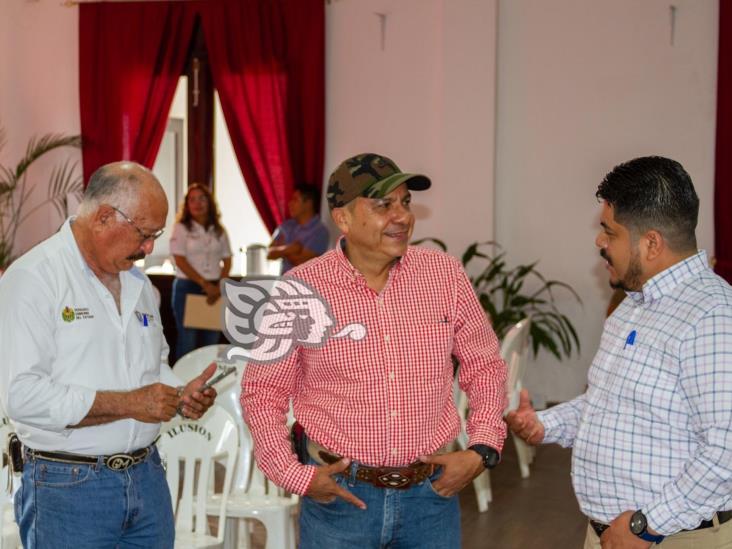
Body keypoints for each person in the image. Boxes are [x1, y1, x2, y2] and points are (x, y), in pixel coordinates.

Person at [241, 153, 507, 548]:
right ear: (343, 219)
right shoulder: (300, 290)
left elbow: (484, 366)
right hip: (340, 499)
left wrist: (482, 448)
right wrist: (297, 476)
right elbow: (262, 393)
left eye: (405, 203)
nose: (401, 216)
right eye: (383, 205)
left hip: (431, 495)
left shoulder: (443, 276)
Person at [506, 156, 732, 548]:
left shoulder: (712, 316)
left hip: (672, 537)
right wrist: (546, 424)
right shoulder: (634, 304)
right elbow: (610, 404)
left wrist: (648, 525)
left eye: (609, 232)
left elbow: (725, 450)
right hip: (618, 533)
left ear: (651, 243)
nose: (599, 242)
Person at [0, 161, 218, 548]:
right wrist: (131, 404)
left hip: (147, 479)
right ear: (103, 217)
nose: (150, 248)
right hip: (67, 487)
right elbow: (22, 396)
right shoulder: (34, 279)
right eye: (145, 234)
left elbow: (153, 369)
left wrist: (179, 394)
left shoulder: (139, 284)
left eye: (156, 235)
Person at [169, 183, 232, 361]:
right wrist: (204, 284)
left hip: (215, 289)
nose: (197, 203)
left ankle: (207, 386)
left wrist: (219, 286)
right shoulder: (181, 228)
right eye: (192, 199)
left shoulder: (219, 230)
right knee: (187, 342)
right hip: (188, 288)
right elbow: (179, 260)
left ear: (209, 203)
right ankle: (183, 386)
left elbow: (227, 259)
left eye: (202, 198)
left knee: (211, 343)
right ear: (187, 204)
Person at [267, 183, 330, 273]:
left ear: (308, 203)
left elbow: (300, 262)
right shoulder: (286, 226)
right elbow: (269, 253)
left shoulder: (320, 231)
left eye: (295, 199)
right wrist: (288, 249)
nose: (290, 204)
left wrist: (280, 252)